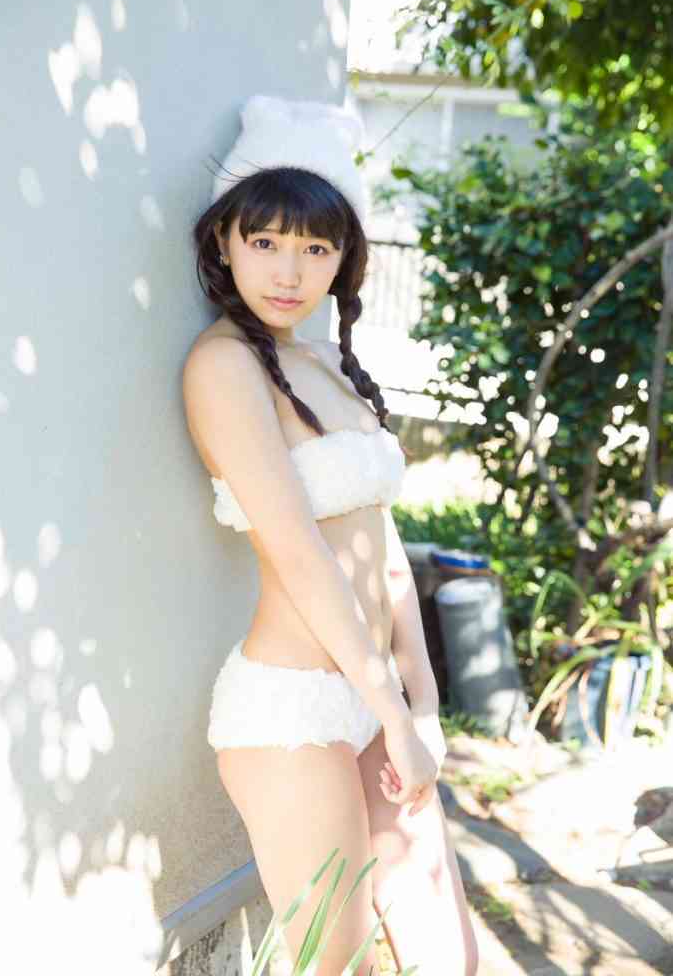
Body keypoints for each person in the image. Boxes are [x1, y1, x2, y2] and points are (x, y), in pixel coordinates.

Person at [182, 94, 479, 975]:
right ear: (224, 242)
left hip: (372, 692)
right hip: (291, 710)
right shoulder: (223, 367)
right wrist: (393, 711)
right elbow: (301, 553)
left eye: (316, 247)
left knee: (448, 958)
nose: (289, 270)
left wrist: (423, 706)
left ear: (344, 258)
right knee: (337, 963)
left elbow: (382, 551)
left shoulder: (323, 365)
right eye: (266, 241)